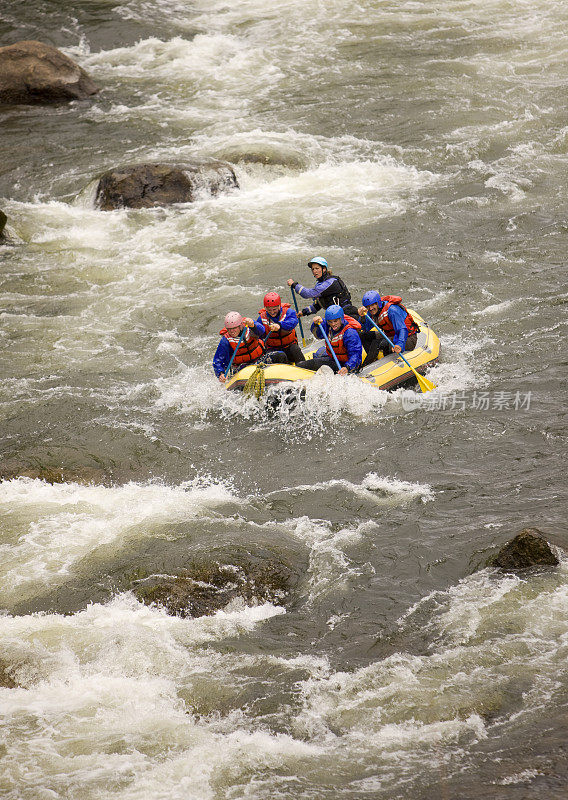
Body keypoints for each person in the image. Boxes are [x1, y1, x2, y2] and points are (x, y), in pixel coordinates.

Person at [213, 311, 287, 383]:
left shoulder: (249, 329)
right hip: (242, 367)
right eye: (229, 329)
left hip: (259, 361)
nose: (232, 331)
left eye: (234, 328)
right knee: (247, 371)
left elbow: (262, 331)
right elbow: (218, 360)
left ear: (240, 325)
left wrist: (253, 326)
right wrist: (220, 373)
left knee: (280, 355)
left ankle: (285, 376)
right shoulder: (226, 341)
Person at [357, 290, 420, 368]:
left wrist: (399, 344)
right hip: (390, 335)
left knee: (379, 343)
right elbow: (365, 328)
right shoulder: (371, 311)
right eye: (368, 306)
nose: (370, 308)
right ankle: (373, 359)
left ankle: (368, 364)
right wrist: (362, 317)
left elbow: (402, 330)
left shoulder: (392, 310)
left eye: (373, 305)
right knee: (363, 335)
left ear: (378, 303)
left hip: (408, 338)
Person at [295, 305, 362, 375]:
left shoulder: (350, 333)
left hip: (345, 365)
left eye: (335, 321)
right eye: (330, 322)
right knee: (318, 353)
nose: (333, 324)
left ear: (341, 319)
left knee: (315, 362)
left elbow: (356, 354)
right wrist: (316, 324)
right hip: (334, 358)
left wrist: (347, 367)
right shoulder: (328, 326)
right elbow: (318, 335)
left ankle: (299, 367)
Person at [287, 256, 360, 321]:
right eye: (313, 269)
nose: (314, 271)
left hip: (347, 314)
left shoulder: (330, 282)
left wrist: (294, 285)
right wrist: (304, 312)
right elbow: (318, 305)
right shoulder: (321, 284)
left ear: (324, 268)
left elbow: (308, 294)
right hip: (336, 317)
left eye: (317, 268)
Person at [256, 292, 303, 364]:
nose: (272, 312)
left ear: (279, 306)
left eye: (274, 309)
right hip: (272, 349)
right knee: (278, 355)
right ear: (265, 308)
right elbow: (259, 334)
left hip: (289, 346)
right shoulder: (261, 318)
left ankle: (303, 366)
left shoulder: (289, 312)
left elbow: (293, 322)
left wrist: (280, 325)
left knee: (295, 349)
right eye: (269, 309)